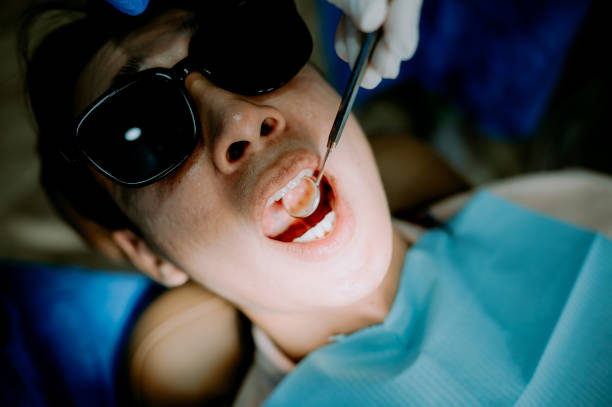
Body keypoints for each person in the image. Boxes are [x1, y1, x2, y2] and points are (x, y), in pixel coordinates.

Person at [20, 1, 612, 406]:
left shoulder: (577, 206)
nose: (240, 120)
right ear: (151, 257)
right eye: (140, 130)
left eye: (244, 49)